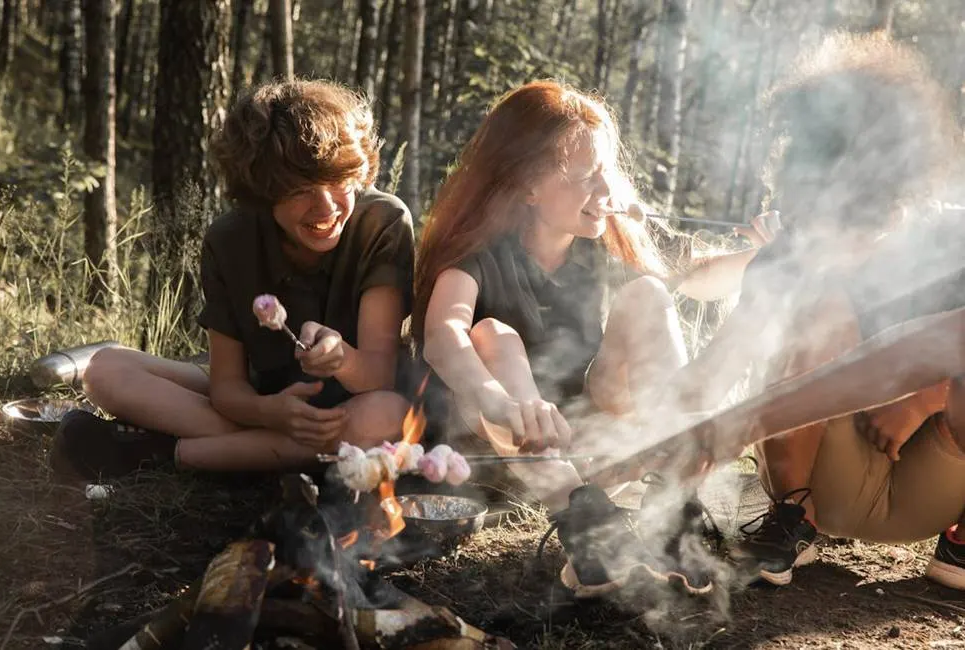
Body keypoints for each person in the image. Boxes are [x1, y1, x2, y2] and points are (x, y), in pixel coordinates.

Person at [624, 34, 964, 589]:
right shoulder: (791, 256)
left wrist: (920, 400)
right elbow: (716, 371)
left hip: (927, 483)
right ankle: (792, 522)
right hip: (820, 481)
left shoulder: (949, 242)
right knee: (813, 304)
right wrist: (638, 436)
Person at [413, 79, 771, 597]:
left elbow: (702, 273)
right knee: (494, 334)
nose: (607, 192)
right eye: (587, 177)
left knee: (647, 293)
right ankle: (583, 526)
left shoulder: (604, 236)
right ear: (528, 186)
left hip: (588, 449)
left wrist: (780, 255)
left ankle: (673, 497)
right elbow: (443, 335)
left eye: (607, 173)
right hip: (500, 455)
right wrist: (503, 401)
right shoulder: (481, 254)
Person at [51, 79, 415, 477]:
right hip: (263, 400)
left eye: (338, 182)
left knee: (389, 413)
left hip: (350, 406)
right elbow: (228, 388)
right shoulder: (230, 239)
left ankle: (158, 452)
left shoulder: (384, 223)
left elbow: (378, 374)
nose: (325, 206)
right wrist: (268, 413)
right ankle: (261, 451)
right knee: (105, 369)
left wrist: (341, 357)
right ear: (262, 189)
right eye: (300, 190)